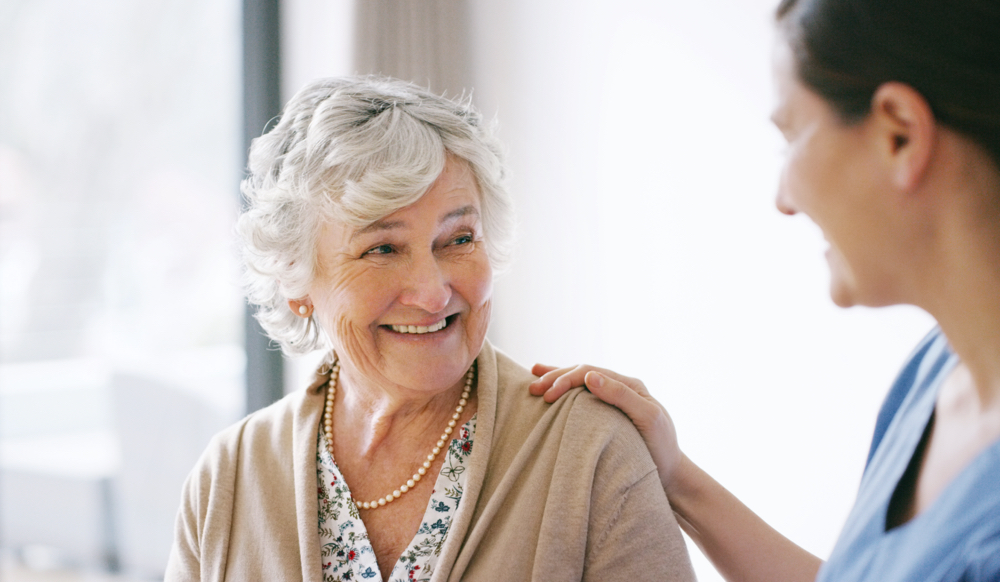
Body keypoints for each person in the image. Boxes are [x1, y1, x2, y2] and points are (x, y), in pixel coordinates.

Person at [530, 0, 1000, 581]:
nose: (785, 198)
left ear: (899, 134)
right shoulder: (932, 376)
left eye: (792, 137)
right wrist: (675, 476)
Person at [164, 76, 694, 582]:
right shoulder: (227, 480)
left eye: (458, 239)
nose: (433, 291)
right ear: (296, 281)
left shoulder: (589, 451)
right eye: (383, 249)